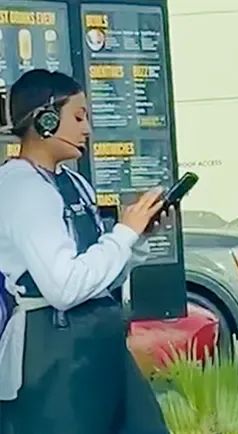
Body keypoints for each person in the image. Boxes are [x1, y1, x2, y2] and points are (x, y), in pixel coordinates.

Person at [0, 69, 170, 433]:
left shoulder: (74, 183)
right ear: (45, 120)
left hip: (98, 344)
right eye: (78, 117)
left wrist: (135, 241)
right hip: (53, 354)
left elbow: (97, 273)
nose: (87, 129)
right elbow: (64, 288)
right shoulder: (22, 189)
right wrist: (123, 234)